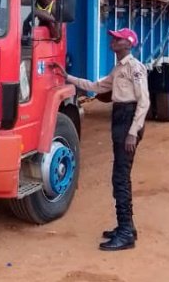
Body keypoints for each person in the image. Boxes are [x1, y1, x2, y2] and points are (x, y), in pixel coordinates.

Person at [57, 28, 150, 251]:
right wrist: (67, 77)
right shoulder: (118, 68)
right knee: (120, 175)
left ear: (127, 44)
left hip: (128, 120)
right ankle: (127, 227)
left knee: (120, 177)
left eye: (117, 39)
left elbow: (144, 102)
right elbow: (97, 87)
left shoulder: (134, 68)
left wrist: (132, 132)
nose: (112, 40)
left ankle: (126, 232)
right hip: (120, 117)